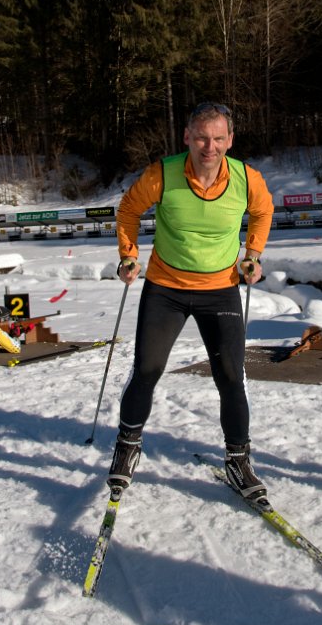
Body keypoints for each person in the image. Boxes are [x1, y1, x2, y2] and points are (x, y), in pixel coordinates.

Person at [105, 102, 274, 498]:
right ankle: (127, 446)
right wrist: (128, 256)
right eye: (201, 137)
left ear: (230, 141)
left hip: (220, 289)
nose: (209, 147)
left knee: (231, 377)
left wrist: (253, 255)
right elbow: (128, 210)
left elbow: (263, 212)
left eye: (218, 138)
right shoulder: (161, 174)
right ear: (187, 137)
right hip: (167, 288)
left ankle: (238, 460)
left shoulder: (246, 179)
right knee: (147, 369)